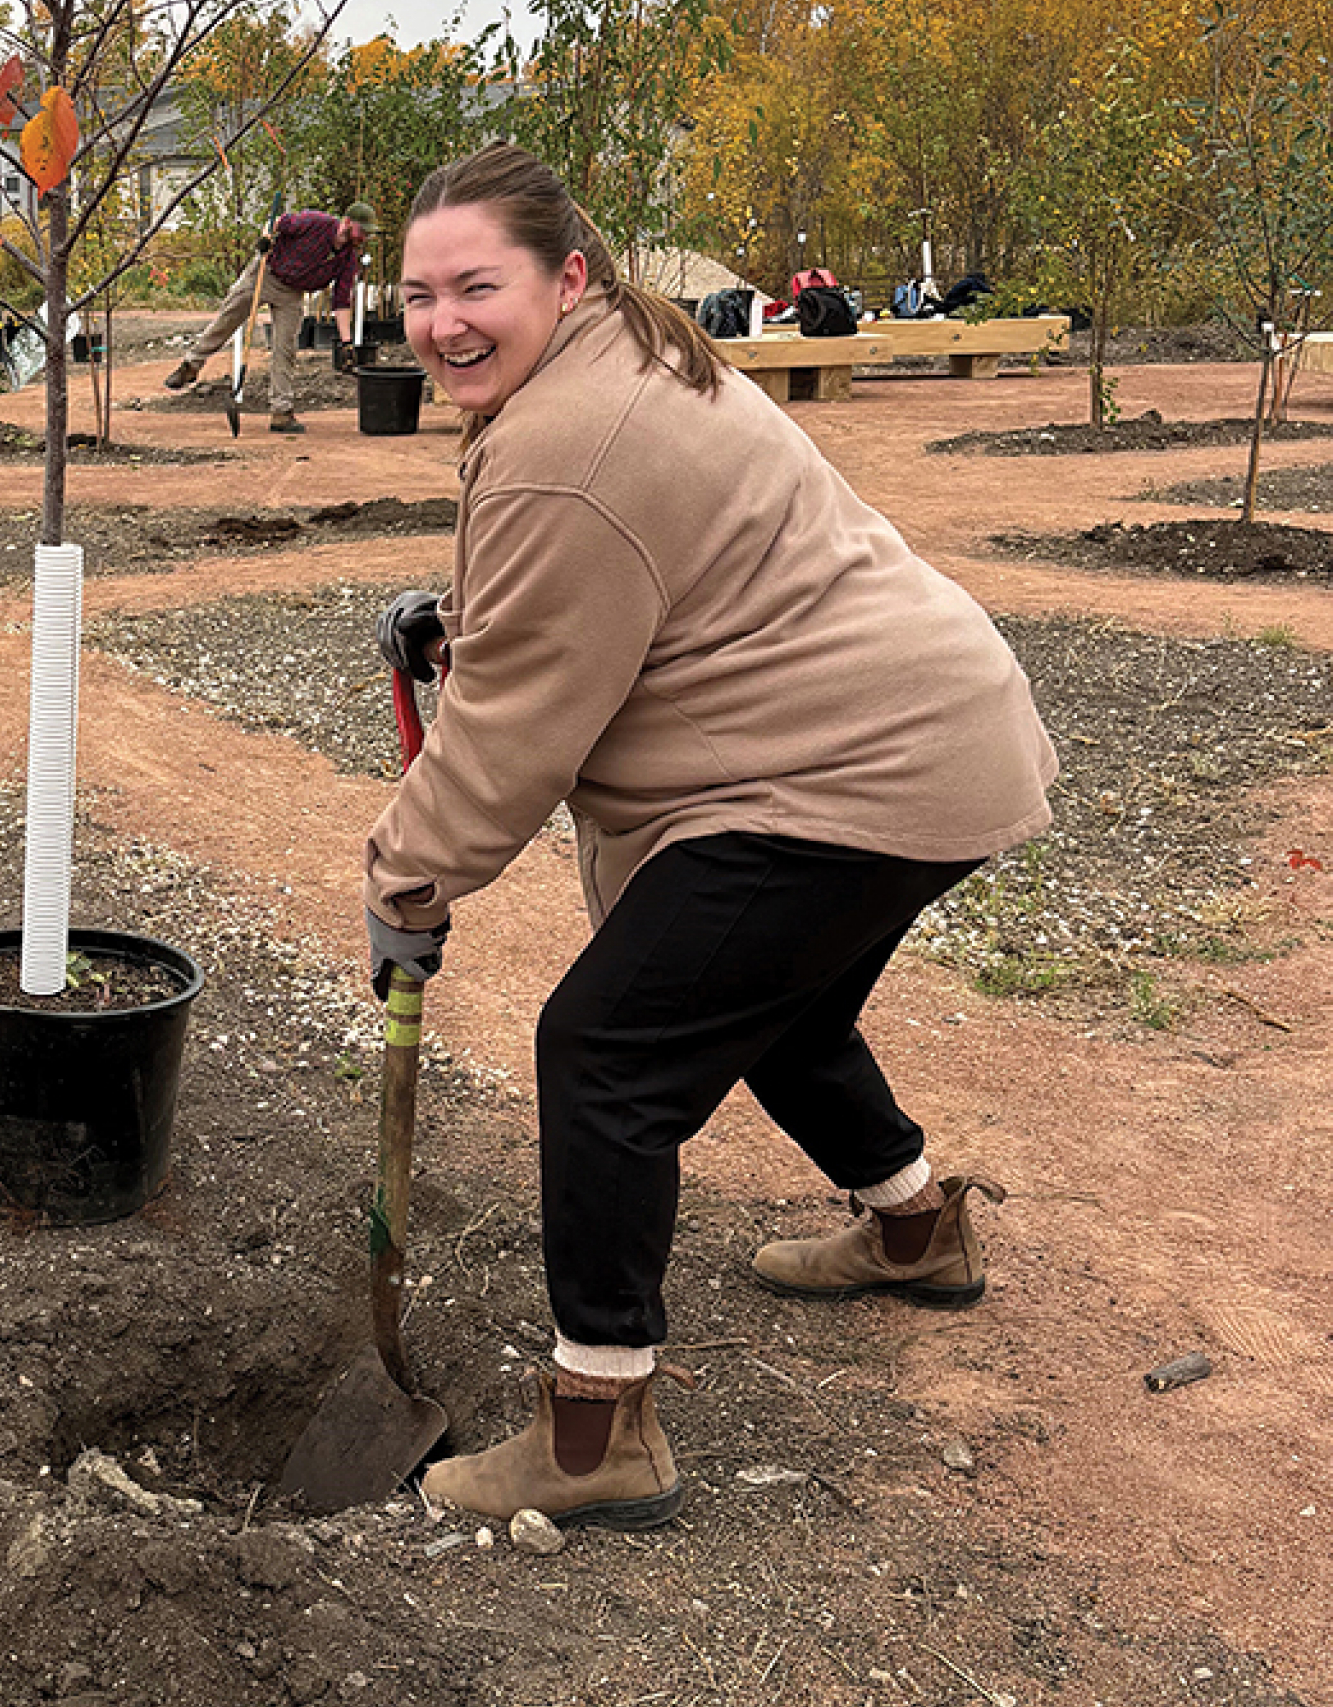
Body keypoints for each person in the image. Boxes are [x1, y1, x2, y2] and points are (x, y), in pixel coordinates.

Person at [362, 144, 1055, 1527]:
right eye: (418, 292)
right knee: (770, 1006)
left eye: (476, 284)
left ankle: (596, 1425)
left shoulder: (568, 440)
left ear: (566, 274)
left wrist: (406, 880)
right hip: (923, 733)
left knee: (607, 1049)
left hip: (847, 769)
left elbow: (505, 738)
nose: (441, 320)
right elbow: (632, 585)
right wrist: (466, 624)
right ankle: (915, 1228)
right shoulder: (615, 356)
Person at [163, 202, 374, 434]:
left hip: (292, 293)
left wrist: (346, 342)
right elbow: (277, 224)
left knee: (285, 349)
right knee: (227, 320)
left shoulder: (348, 259)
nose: (365, 237)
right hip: (266, 274)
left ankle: (281, 412)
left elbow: (341, 301)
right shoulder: (316, 222)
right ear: (347, 222)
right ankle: (191, 365)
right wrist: (266, 238)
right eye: (362, 231)